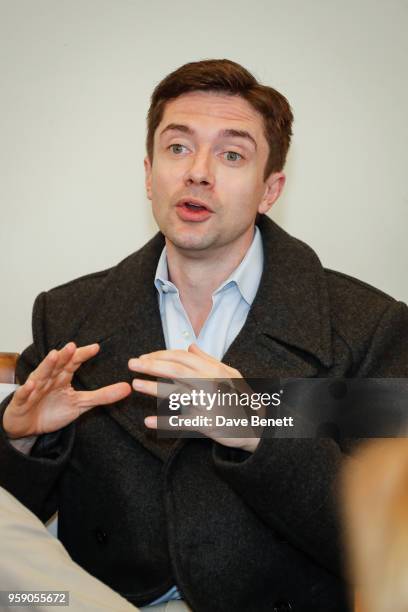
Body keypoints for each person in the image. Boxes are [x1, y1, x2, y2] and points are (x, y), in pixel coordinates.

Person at [0, 58, 407, 612]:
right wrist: (22, 443)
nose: (197, 172)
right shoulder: (67, 315)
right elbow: (13, 532)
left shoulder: (364, 326)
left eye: (232, 154)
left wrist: (257, 428)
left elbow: (384, 545)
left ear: (270, 189)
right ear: (149, 174)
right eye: (177, 148)